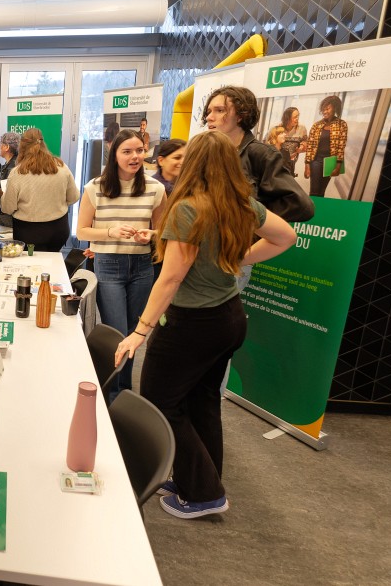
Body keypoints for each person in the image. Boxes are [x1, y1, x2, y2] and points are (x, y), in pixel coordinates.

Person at [115, 130, 296, 519]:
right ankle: (200, 481)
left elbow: (171, 278)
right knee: (202, 401)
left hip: (190, 324)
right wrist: (237, 259)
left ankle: (203, 492)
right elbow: (286, 236)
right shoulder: (240, 202)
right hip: (228, 317)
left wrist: (140, 331)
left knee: (162, 404)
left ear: (194, 163)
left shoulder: (188, 208)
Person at [75, 129, 166, 404]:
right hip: (109, 264)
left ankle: (123, 390)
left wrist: (151, 235)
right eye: (127, 151)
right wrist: (111, 232)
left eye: (140, 150)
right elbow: (81, 231)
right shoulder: (96, 187)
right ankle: (114, 394)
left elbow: (163, 230)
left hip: (142, 265)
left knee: (133, 333)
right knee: (116, 330)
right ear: (114, 155)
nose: (135, 156)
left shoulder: (155, 188)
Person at [202, 86, 313, 224]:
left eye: (220, 110)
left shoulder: (261, 154)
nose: (209, 117)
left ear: (240, 116)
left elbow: (301, 205)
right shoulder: (207, 153)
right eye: (208, 111)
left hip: (242, 242)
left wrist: (249, 219)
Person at [0, 128, 80, 252]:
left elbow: (7, 207)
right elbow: (74, 197)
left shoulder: (17, 172)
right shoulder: (61, 166)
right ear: (43, 143)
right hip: (58, 229)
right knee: (52, 265)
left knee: (31, 267)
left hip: (28, 232)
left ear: (22, 146)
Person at [304, 95, 348, 198]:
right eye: (323, 109)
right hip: (316, 161)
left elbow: (341, 147)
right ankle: (312, 211)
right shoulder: (317, 125)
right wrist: (307, 165)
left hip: (330, 162)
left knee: (322, 191)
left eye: (327, 109)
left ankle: (319, 210)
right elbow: (310, 146)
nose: (325, 111)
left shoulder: (342, 125)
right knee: (314, 190)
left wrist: (338, 166)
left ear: (335, 108)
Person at [0, 131, 20, 227]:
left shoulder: (12, 167)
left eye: (0, 144)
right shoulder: (9, 165)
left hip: (8, 216)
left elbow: (6, 192)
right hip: (5, 214)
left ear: (7, 147)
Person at [280, 107, 308, 176]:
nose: (297, 119)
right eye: (295, 117)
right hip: (277, 161)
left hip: (291, 163)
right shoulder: (278, 128)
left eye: (298, 116)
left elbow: (306, 141)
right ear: (287, 118)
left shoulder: (302, 128)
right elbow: (267, 142)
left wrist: (302, 146)